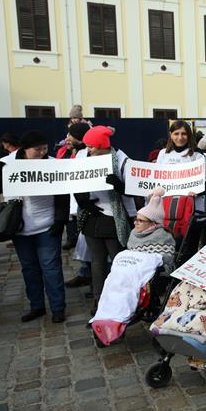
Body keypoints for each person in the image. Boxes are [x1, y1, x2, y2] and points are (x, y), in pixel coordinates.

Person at [6, 131, 69, 323]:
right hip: (20, 228)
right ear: (25, 149)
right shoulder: (7, 163)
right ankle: (37, 306)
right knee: (29, 268)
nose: (42, 152)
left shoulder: (52, 164)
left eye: (44, 148)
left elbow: (63, 195)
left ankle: (58, 308)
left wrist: (60, 221)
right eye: (37, 149)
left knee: (51, 268)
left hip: (47, 225)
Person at [74, 126, 136, 309]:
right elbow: (73, 181)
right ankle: (99, 300)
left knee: (118, 260)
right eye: (87, 146)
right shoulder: (83, 157)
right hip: (92, 216)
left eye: (92, 146)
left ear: (102, 145)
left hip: (115, 218)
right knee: (97, 261)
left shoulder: (122, 161)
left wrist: (120, 186)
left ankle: (120, 298)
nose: (89, 150)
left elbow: (133, 191)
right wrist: (82, 201)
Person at [156, 121, 206, 213]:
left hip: (192, 209)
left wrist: (197, 192)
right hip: (167, 207)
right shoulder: (163, 153)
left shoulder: (197, 155)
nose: (180, 138)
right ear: (170, 135)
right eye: (176, 134)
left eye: (184, 134)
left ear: (189, 135)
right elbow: (157, 180)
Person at [57, 122, 91, 252]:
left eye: (71, 135)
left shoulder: (87, 154)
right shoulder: (73, 152)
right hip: (74, 200)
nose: (67, 139)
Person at [128, 187, 176, 272]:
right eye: (136, 219)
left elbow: (166, 260)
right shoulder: (133, 234)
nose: (135, 223)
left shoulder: (163, 236)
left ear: (153, 224)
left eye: (140, 221)